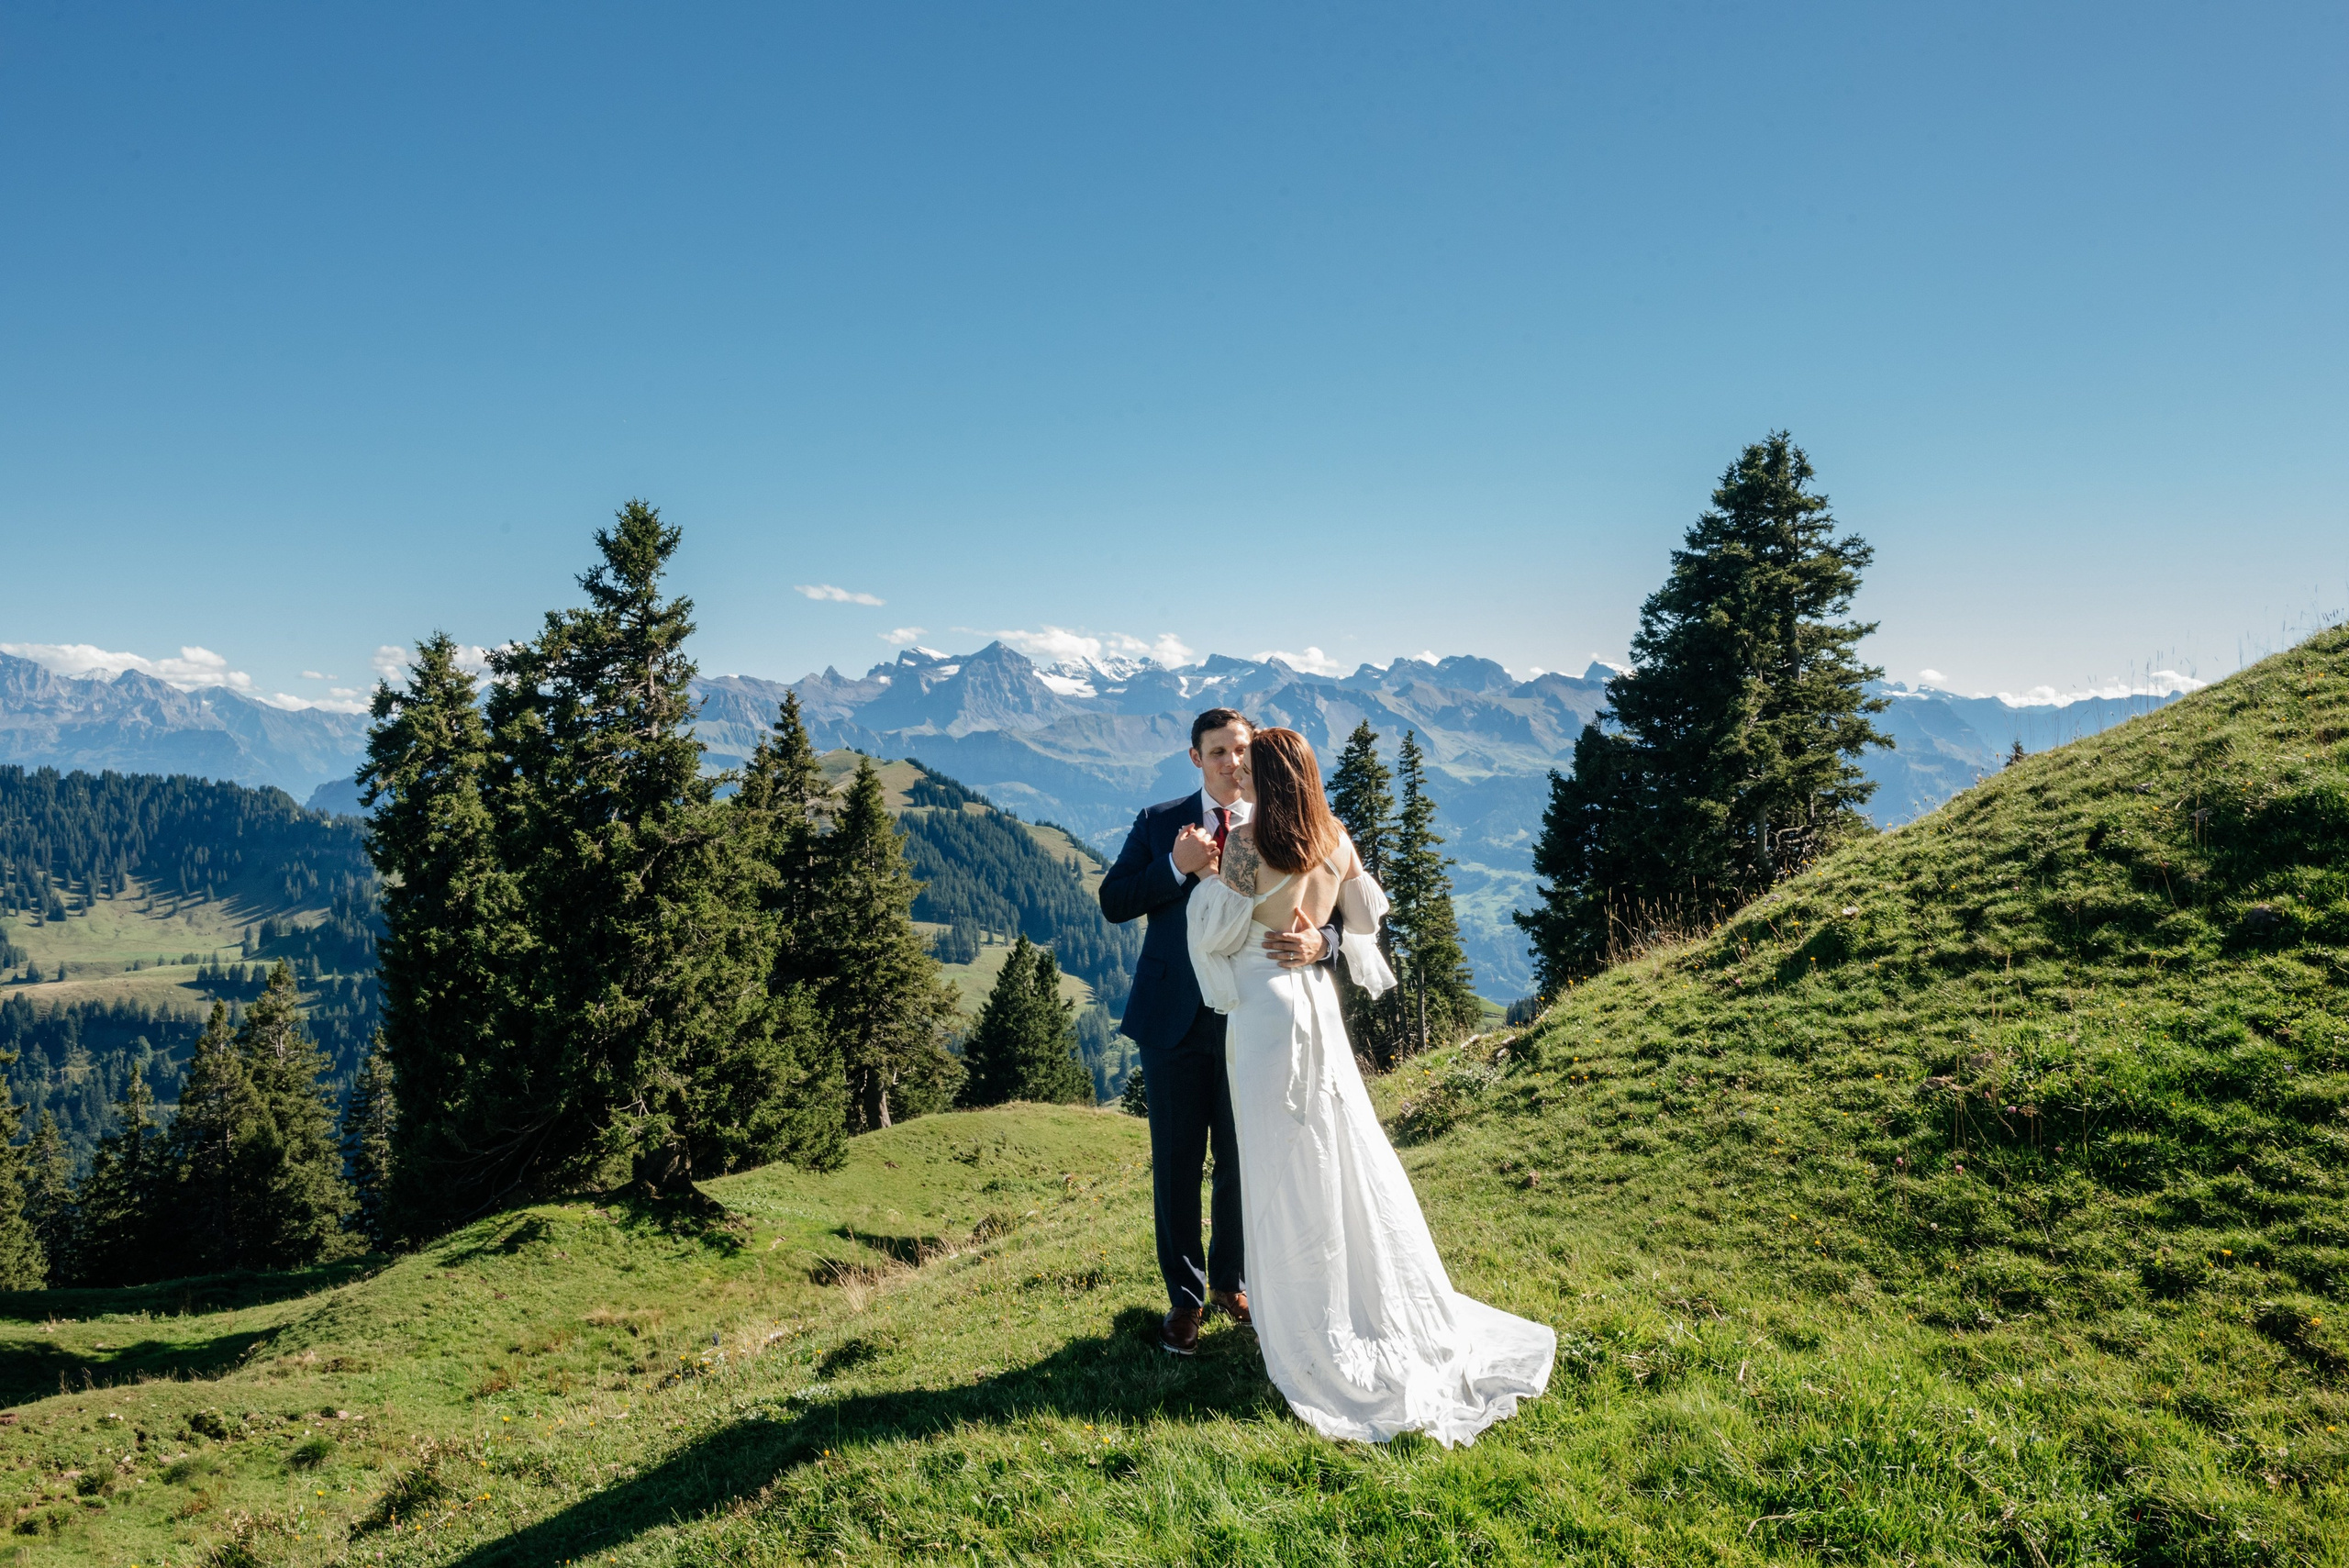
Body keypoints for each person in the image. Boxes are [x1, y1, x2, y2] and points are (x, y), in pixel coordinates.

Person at [1187, 727, 1554, 1445]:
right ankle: (1360, 1301)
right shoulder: (1334, 837)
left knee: (1280, 1165)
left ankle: (1307, 1323)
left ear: (1267, 776)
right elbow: (1362, 925)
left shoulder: (1245, 844)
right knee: (1339, 1153)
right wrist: (1320, 940)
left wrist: (1202, 882)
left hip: (1266, 1016)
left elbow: (1214, 937)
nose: (1238, 777)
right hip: (1318, 1011)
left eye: (1249, 767)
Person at [1099, 708, 1341, 1356]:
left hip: (1254, 1019)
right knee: (1177, 1162)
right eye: (1219, 753)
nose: (1233, 763)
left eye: (1242, 750)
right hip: (1175, 1021)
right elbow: (1113, 900)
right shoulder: (1158, 824)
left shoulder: (1290, 820)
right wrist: (1175, 868)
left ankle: (1233, 1280)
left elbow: (1343, 914)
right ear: (1195, 758)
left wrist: (1323, 942)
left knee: (1243, 1156)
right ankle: (1185, 1298)